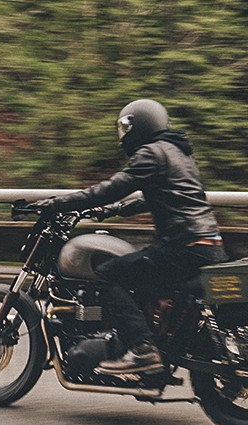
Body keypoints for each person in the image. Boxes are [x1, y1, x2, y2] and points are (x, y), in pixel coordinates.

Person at [29, 99, 227, 374]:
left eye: (125, 126)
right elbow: (154, 197)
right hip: (209, 244)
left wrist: (57, 203)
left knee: (110, 274)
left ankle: (143, 349)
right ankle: (148, 343)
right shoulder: (179, 154)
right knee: (141, 280)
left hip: (181, 247)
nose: (123, 134)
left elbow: (111, 187)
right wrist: (110, 211)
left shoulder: (150, 153)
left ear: (139, 126)